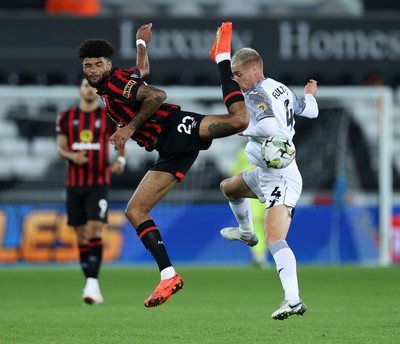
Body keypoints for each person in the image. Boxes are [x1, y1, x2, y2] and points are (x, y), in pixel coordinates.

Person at [77, 21, 249, 308]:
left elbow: (157, 96)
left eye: (98, 64)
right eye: (87, 66)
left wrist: (129, 128)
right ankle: (168, 275)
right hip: (168, 150)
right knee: (135, 210)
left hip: (174, 128)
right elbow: (141, 71)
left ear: (108, 65)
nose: (93, 70)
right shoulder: (114, 82)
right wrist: (141, 43)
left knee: (240, 120)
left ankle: (221, 58)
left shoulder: (116, 84)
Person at [219, 47, 318, 320]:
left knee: (275, 238)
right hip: (265, 172)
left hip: (281, 175)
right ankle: (246, 233)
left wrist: (240, 128)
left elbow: (268, 129)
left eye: (238, 74)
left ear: (254, 69)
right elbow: (311, 111)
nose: (236, 80)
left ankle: (293, 299)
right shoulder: (281, 89)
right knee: (229, 187)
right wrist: (309, 95)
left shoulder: (255, 93)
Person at [56, 78, 126, 305]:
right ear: (79, 90)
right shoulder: (66, 117)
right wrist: (72, 156)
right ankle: (90, 283)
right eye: (84, 86)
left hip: (98, 182)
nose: (88, 90)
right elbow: (61, 148)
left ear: (95, 91)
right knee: (81, 235)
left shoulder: (106, 115)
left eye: (91, 86)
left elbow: (120, 136)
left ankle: (93, 284)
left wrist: (121, 159)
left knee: (94, 230)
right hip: (74, 184)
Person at [231, 145, 269, 269]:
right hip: (259, 194)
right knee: (259, 227)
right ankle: (260, 257)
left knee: (261, 227)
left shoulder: (244, 151)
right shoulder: (269, 148)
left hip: (258, 193)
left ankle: (260, 257)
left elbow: (235, 172)